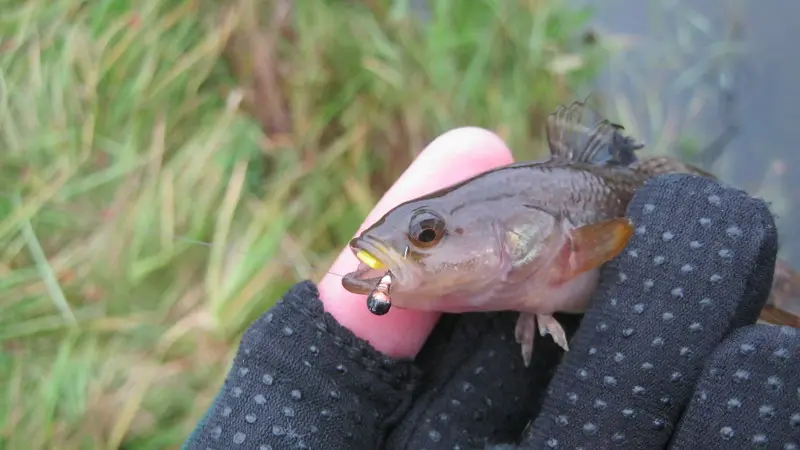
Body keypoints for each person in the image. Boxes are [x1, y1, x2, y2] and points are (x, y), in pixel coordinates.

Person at [182, 128, 799, 449]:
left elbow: (614, 237)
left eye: (427, 234)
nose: (413, 249)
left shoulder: (568, 242)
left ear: (528, 233)